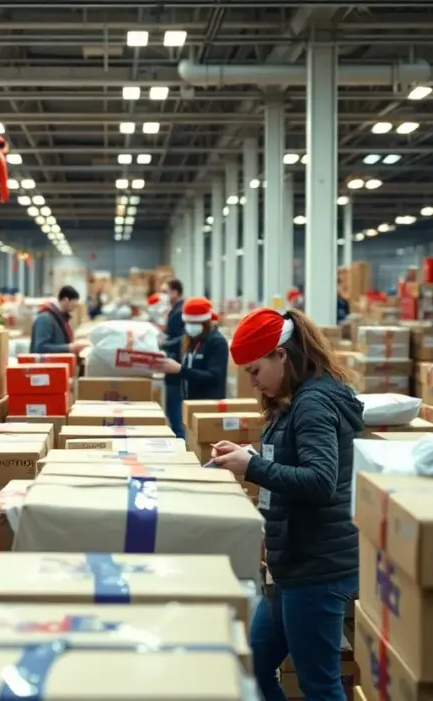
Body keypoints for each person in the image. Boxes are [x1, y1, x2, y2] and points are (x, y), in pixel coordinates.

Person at [209, 307, 361, 701]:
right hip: (291, 564)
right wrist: (250, 456)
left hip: (318, 567)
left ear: (282, 354)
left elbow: (320, 481)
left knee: (319, 685)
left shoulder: (312, 404)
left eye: (256, 371)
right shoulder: (291, 402)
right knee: (254, 665)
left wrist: (253, 466)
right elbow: (294, 464)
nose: (254, 383)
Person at [160, 297, 228, 402]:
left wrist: (180, 369)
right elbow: (168, 345)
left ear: (205, 322)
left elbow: (213, 377)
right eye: (187, 323)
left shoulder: (217, 342)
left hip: (208, 404)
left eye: (194, 323)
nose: (190, 327)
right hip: (188, 402)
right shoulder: (188, 339)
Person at [158, 278, 186, 437]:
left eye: (165, 292)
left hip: (176, 368)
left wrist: (164, 344)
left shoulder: (180, 312)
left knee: (176, 416)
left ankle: (181, 444)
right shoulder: (174, 309)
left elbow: (182, 339)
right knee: (172, 412)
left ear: (175, 292)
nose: (162, 295)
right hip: (171, 367)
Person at [30, 285, 89, 355]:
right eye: (73, 306)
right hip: (46, 364)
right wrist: (69, 348)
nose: (74, 309)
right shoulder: (45, 319)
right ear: (66, 300)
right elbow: (40, 348)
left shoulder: (60, 318)